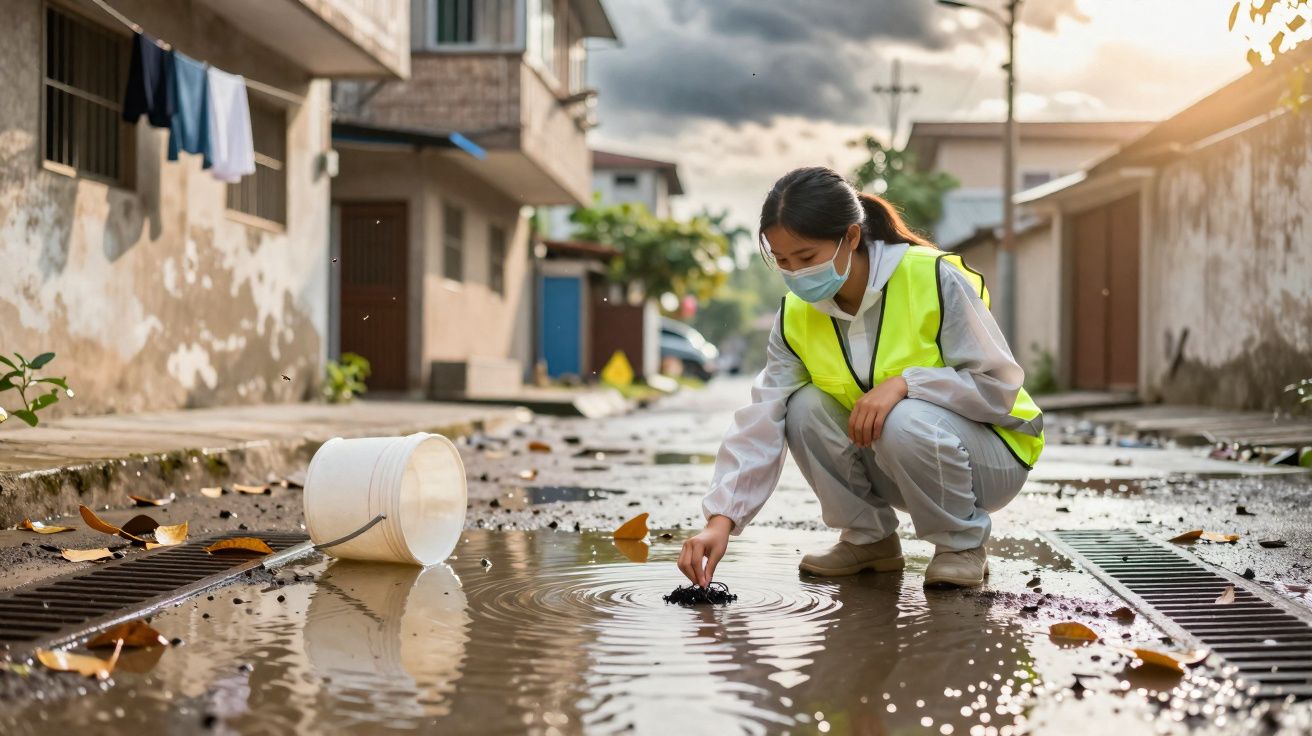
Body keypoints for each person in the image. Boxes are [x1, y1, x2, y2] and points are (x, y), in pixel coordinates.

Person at [677, 166, 1044, 589]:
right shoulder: (796, 316)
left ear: (851, 237)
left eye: (807, 257)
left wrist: (906, 383)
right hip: (899, 461)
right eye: (782, 262)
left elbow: (997, 386)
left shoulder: (933, 277)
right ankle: (869, 539)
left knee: (901, 416)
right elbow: (762, 415)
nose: (795, 273)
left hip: (992, 456)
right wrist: (721, 519)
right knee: (801, 407)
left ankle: (961, 545)